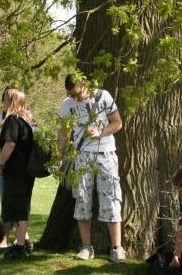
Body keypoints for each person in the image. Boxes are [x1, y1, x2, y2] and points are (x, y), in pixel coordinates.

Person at [57, 74, 126, 263]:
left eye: (76, 94)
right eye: (70, 94)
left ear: (83, 84)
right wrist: (59, 156)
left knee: (111, 199)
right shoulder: (67, 104)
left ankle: (117, 249)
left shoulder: (103, 96)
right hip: (81, 157)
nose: (74, 98)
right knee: (82, 200)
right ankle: (86, 247)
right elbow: (63, 133)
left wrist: (100, 133)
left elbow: (117, 122)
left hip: (106, 154)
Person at [0, 88, 35, 259]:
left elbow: (10, 144)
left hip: (15, 171)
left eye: (5, 100)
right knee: (21, 208)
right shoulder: (27, 120)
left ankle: (20, 248)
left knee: (18, 209)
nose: (2, 103)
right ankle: (22, 244)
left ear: (10, 101)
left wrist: (0, 164)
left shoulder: (12, 120)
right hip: (26, 171)